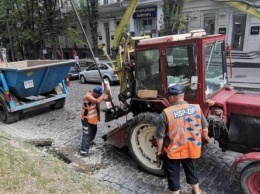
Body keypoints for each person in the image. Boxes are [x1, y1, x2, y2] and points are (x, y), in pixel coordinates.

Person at [156, 84, 210, 194]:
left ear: (171, 98)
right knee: (191, 169)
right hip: (191, 148)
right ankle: (196, 191)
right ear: (183, 95)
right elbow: (204, 129)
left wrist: (159, 150)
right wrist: (206, 138)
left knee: (173, 174)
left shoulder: (166, 113)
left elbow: (160, 136)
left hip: (174, 150)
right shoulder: (196, 108)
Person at [79, 86, 107, 157]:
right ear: (94, 92)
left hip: (93, 119)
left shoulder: (96, 95)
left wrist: (108, 93)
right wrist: (104, 93)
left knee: (94, 131)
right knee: (86, 134)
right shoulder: (87, 96)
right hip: (86, 119)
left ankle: (90, 142)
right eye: (98, 95)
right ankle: (84, 151)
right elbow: (98, 101)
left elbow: (108, 99)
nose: (98, 96)